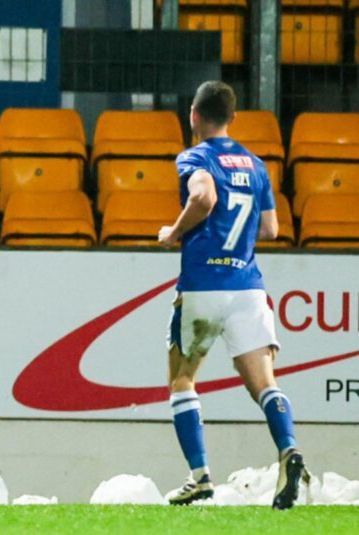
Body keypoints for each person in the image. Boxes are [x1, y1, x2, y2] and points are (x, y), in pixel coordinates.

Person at [158, 81, 308, 510]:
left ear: (194, 115)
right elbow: (270, 229)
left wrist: (174, 232)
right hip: (248, 288)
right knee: (266, 386)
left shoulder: (196, 156)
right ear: (233, 117)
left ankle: (200, 477)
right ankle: (289, 450)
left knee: (183, 378)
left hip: (204, 285)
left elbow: (203, 197)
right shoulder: (257, 165)